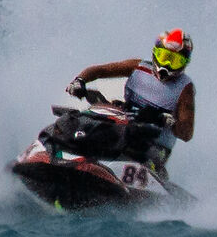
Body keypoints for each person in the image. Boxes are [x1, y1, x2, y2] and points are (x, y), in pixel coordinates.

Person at [69, 29, 196, 167]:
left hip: (154, 146)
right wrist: (80, 81)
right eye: (164, 56)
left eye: (175, 61)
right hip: (123, 126)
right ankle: (66, 146)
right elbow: (101, 70)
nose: (166, 65)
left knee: (134, 142)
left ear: (184, 63)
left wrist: (163, 119)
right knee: (91, 118)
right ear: (155, 53)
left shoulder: (185, 88)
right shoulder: (139, 67)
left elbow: (187, 133)